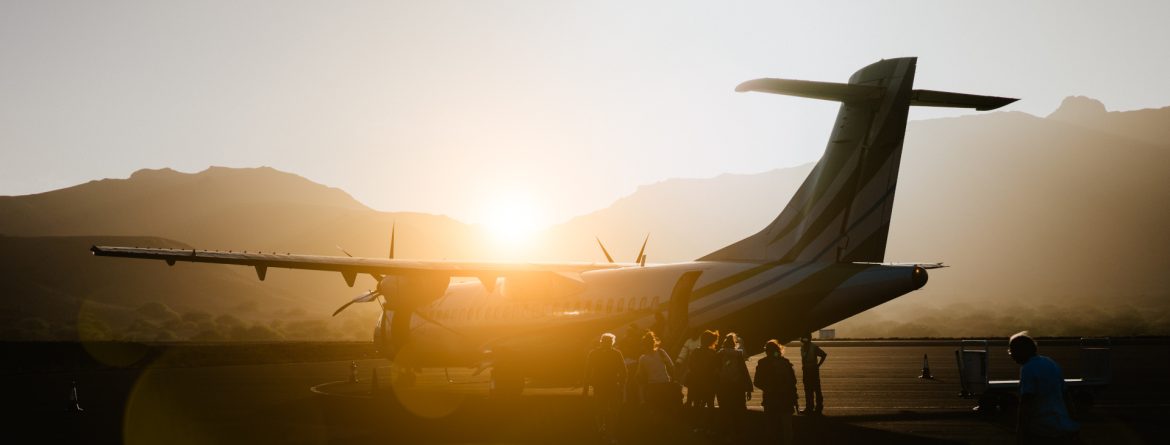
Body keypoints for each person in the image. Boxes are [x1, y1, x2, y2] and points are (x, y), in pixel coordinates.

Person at [1009, 331, 1079, 444]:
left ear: (1020, 351)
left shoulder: (1028, 368)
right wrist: (1074, 421)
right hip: (1063, 424)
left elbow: (1026, 403)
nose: (1011, 355)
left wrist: (1021, 431)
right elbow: (1066, 395)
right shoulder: (1051, 363)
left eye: (1012, 351)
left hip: (1042, 427)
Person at [584, 332, 627, 440]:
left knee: (600, 407)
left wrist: (585, 388)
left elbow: (588, 371)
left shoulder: (594, 353)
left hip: (600, 385)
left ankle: (602, 428)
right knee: (611, 409)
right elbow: (624, 371)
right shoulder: (616, 353)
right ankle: (609, 431)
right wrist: (621, 385)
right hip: (611, 384)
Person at [755, 340, 799, 445]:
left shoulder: (762, 363)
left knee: (771, 426)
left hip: (770, 399)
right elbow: (793, 381)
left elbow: (757, 382)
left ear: (766, 351)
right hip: (785, 399)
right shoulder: (785, 362)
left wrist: (768, 388)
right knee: (787, 426)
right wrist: (794, 398)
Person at [715, 332, 753, 442]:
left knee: (725, 411)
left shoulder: (719, 354)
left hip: (723, 387)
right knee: (738, 411)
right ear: (734, 343)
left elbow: (715, 372)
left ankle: (726, 434)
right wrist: (748, 389)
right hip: (737, 387)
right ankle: (739, 434)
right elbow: (744, 372)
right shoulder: (738, 354)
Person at [635, 330, 679, 418]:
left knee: (656, 410)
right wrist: (673, 379)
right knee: (666, 409)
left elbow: (638, 376)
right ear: (654, 343)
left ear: (644, 345)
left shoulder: (642, 358)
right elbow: (671, 366)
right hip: (665, 383)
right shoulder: (661, 352)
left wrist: (641, 397)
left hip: (652, 387)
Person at [686, 330, 721, 433]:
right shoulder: (713, 353)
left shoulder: (695, 352)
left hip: (697, 383)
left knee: (697, 404)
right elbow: (717, 369)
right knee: (710, 405)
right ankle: (709, 427)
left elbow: (690, 366)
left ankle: (696, 426)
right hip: (709, 383)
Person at [799, 335, 827, 414]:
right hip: (806, 370)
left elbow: (823, 355)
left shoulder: (814, 347)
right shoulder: (803, 347)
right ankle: (809, 408)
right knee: (808, 390)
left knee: (816, 389)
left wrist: (818, 365)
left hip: (813, 370)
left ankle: (818, 408)